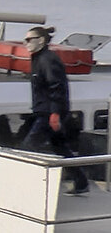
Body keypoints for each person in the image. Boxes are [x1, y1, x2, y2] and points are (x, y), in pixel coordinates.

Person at [21, 26, 90, 195]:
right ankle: (81, 182)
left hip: (49, 112)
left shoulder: (47, 60)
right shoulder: (39, 58)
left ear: (41, 40)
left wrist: (55, 113)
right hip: (46, 110)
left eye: (30, 39)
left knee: (28, 147)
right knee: (60, 147)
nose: (26, 43)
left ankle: (30, 186)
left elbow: (56, 87)